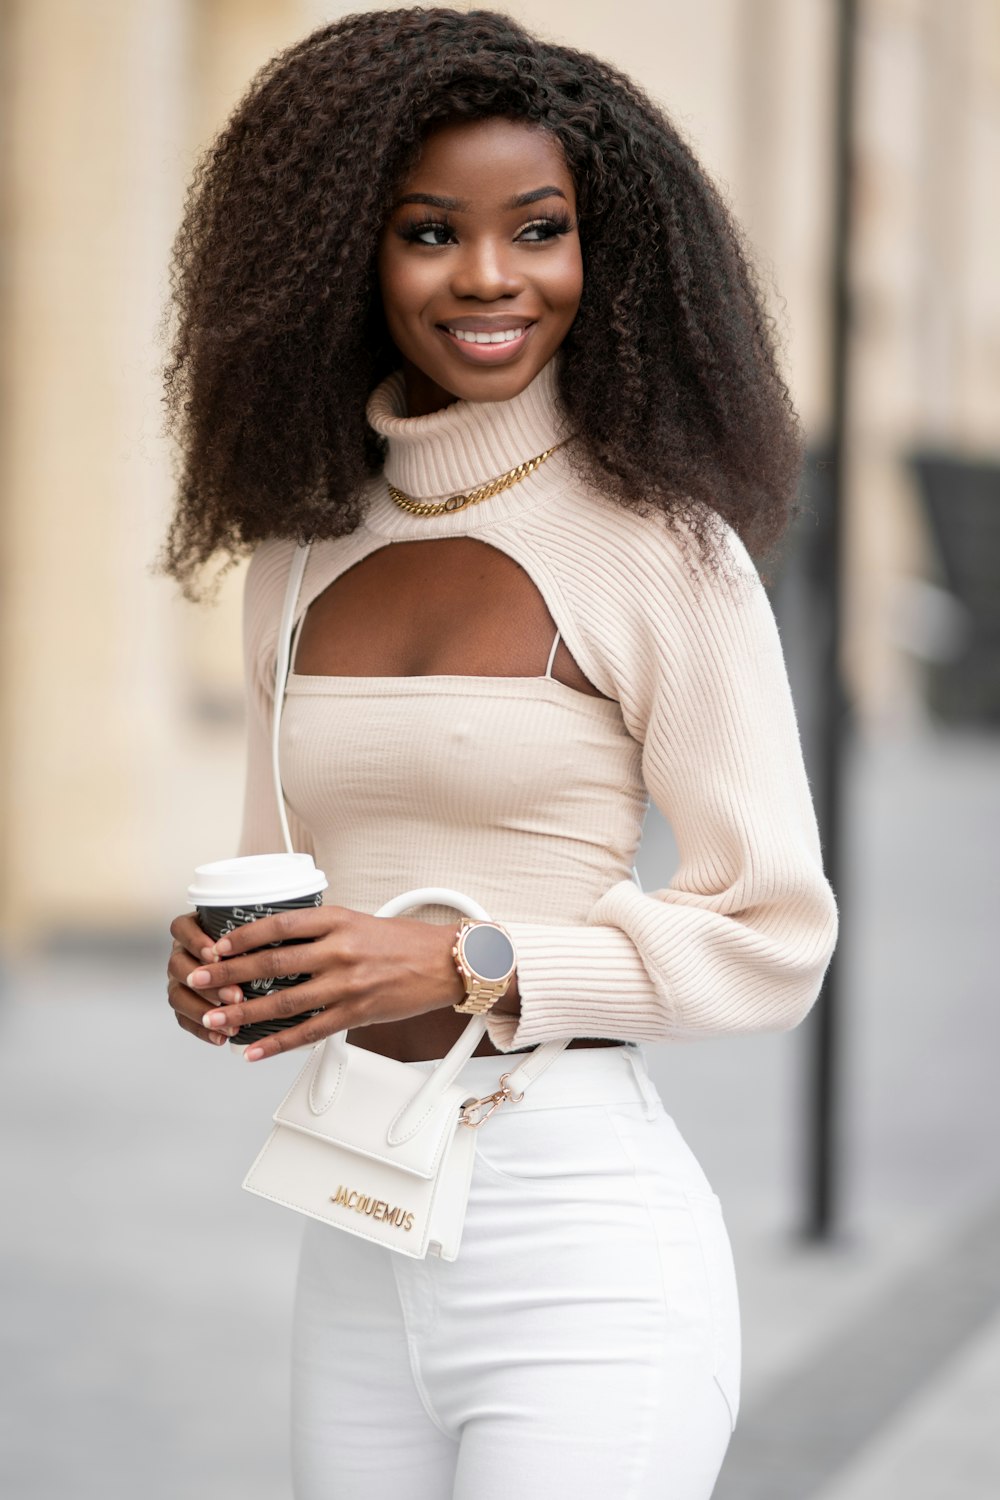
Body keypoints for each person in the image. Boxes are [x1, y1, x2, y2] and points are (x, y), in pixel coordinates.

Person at [160, 9, 838, 1498]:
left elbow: (775, 934)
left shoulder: (660, 549)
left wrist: (468, 962)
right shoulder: (298, 551)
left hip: (580, 1246)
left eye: (540, 229)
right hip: (358, 1224)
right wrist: (228, 972)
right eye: (429, 231)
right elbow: (298, 878)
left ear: (611, 257)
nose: (489, 277)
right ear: (348, 254)